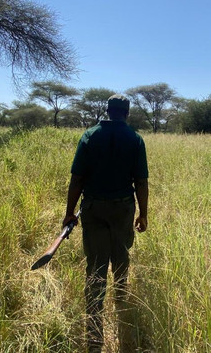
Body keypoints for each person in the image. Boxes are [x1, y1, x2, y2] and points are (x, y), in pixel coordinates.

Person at [62, 94, 149, 353]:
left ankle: (94, 334)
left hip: (94, 208)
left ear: (107, 111)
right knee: (121, 256)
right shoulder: (135, 139)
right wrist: (143, 214)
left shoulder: (89, 136)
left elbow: (77, 179)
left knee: (96, 266)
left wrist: (69, 213)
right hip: (123, 208)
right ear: (127, 112)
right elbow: (141, 182)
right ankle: (121, 300)